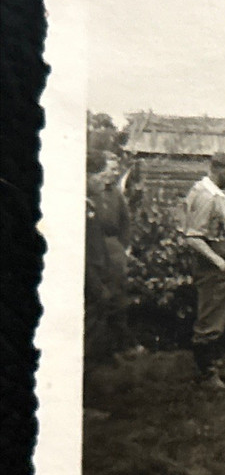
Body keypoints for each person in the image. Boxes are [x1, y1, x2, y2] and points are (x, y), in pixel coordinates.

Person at [180, 152, 225, 388]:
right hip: (214, 266)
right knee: (211, 321)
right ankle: (207, 374)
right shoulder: (206, 196)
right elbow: (193, 237)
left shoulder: (218, 195)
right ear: (221, 171)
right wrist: (218, 262)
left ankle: (222, 366)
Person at [85, 150, 134, 357]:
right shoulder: (90, 194)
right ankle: (99, 351)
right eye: (111, 169)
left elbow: (125, 223)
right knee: (97, 298)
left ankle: (118, 345)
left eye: (116, 170)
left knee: (117, 296)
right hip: (94, 247)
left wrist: (122, 248)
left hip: (112, 250)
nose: (114, 174)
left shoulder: (116, 194)